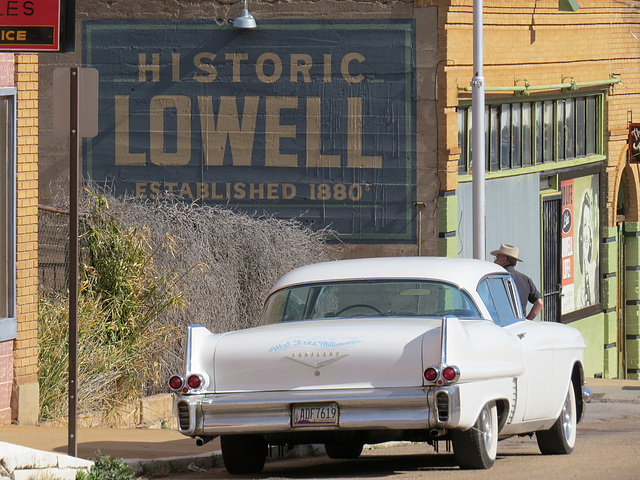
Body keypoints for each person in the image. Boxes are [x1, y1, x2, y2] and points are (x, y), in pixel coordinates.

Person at [491, 243, 544, 320]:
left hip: (500, 325)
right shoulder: (526, 280)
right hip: (520, 326)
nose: (495, 262)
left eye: (496, 258)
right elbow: (539, 304)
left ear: (503, 260)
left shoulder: (495, 279)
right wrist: (527, 321)